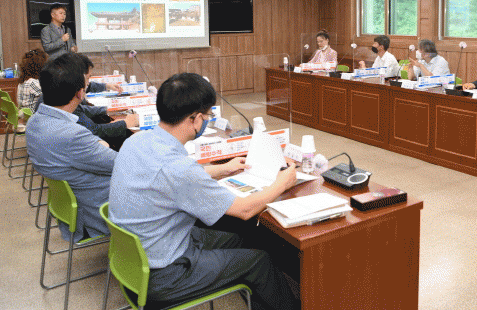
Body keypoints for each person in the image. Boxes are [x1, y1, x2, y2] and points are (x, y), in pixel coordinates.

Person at [109, 73, 299, 310]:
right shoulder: (178, 169)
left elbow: (168, 178)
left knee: (239, 239)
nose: (208, 120)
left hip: (135, 259)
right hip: (163, 275)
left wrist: (223, 169)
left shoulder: (137, 141)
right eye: (208, 115)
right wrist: (282, 183)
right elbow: (244, 210)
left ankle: (251, 292)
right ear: (197, 119)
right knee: (259, 261)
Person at [25, 53, 117, 242]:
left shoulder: (35, 121)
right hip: (99, 212)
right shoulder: (72, 135)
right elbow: (122, 165)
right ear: (80, 93)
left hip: (72, 207)